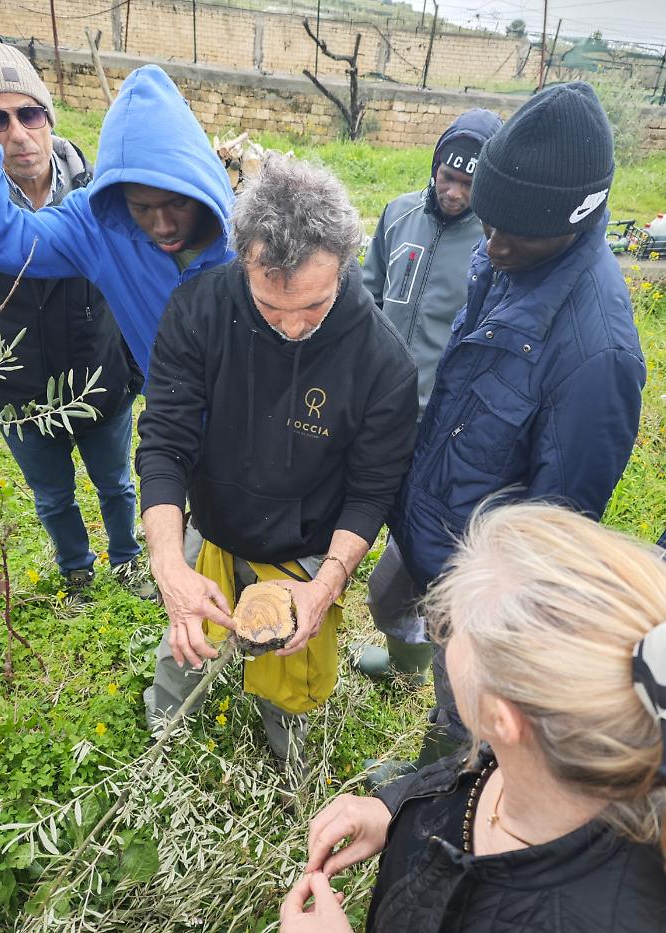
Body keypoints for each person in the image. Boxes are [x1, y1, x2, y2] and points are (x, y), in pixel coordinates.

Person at [372, 81, 646, 779]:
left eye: (509, 232)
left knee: (461, 687)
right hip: (435, 504)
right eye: (486, 224)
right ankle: (406, 659)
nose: (489, 244)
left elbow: (560, 519)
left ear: (574, 220)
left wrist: (496, 605)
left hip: (483, 559)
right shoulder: (509, 258)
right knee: (387, 598)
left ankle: (438, 779)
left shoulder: (597, 354)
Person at [136, 156, 419, 783]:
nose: (292, 326)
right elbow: (164, 441)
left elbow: (372, 493)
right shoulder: (200, 309)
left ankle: (289, 765)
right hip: (210, 530)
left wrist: (326, 586)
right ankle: (161, 741)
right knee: (182, 651)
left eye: (313, 307)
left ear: (344, 264)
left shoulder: (382, 363)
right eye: (269, 306)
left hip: (302, 555)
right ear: (244, 263)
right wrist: (167, 563)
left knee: (291, 681)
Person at [281, 501, 666, 932]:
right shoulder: (539, 757)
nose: (442, 632)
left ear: (501, 717)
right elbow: (473, 774)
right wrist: (394, 808)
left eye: (453, 628)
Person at [0, 39, 143, 587]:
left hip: (101, 381)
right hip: (21, 394)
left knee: (116, 482)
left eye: (29, 113)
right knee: (52, 495)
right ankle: (76, 573)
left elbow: (131, 284)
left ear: (48, 117)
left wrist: (132, 371)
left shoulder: (100, 194)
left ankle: (127, 559)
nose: (18, 134)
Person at [0, 31, 235, 376]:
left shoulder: (254, 237)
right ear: (118, 201)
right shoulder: (96, 227)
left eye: (178, 203)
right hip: (173, 424)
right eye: (141, 209)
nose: (164, 226)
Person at [352, 108, 502, 687]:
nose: (455, 191)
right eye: (448, 176)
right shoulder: (398, 215)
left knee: (415, 563)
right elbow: (367, 296)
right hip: (378, 413)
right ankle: (404, 660)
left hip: (438, 432)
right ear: (435, 165)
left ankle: (413, 661)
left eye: (469, 183)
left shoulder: (494, 247)